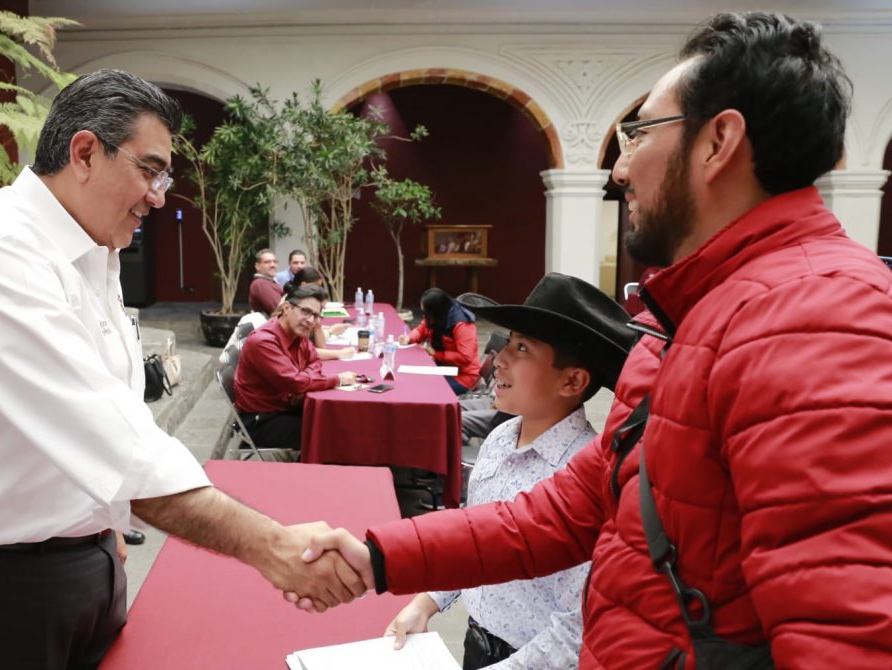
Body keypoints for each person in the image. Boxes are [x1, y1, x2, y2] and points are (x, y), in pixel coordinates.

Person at [298, 12, 892, 667]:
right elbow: (569, 510)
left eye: (640, 133)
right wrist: (381, 556)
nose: (620, 168)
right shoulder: (693, 316)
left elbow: (848, 636)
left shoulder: (818, 316)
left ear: (718, 142)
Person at [0, 69, 366, 669]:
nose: (159, 196)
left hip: (77, 558)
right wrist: (273, 546)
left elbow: (116, 408)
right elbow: (109, 441)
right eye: (149, 170)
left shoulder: (91, 245)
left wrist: (102, 525)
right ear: (85, 153)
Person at [385, 274, 635, 669]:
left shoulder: (584, 478)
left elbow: (575, 630)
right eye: (509, 341)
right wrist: (427, 601)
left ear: (572, 380)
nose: (499, 358)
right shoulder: (501, 438)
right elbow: (473, 540)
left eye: (522, 348)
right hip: (476, 643)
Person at [234, 283, 357, 451]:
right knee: (332, 432)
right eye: (305, 311)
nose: (310, 320)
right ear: (286, 308)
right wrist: (337, 380)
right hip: (261, 421)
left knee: (341, 418)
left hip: (286, 408)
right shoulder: (263, 341)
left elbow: (314, 361)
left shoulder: (297, 332)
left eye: (315, 315)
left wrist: (301, 382)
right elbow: (295, 382)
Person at [399, 287, 481, 394]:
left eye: (426, 312)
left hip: (463, 377)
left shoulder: (462, 324)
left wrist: (436, 354)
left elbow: (465, 356)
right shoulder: (438, 315)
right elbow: (422, 329)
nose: (424, 315)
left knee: (421, 386)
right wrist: (409, 338)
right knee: (413, 377)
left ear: (436, 310)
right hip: (443, 368)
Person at [281, 266, 354, 361]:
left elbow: (315, 347)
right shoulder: (290, 304)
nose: (310, 319)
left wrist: (321, 326)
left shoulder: (312, 308)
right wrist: (339, 353)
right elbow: (302, 352)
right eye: (305, 311)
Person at [248, 247, 283, 314]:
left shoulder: (271, 282)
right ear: (257, 266)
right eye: (267, 262)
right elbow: (279, 310)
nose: (272, 265)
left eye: (275, 262)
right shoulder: (261, 284)